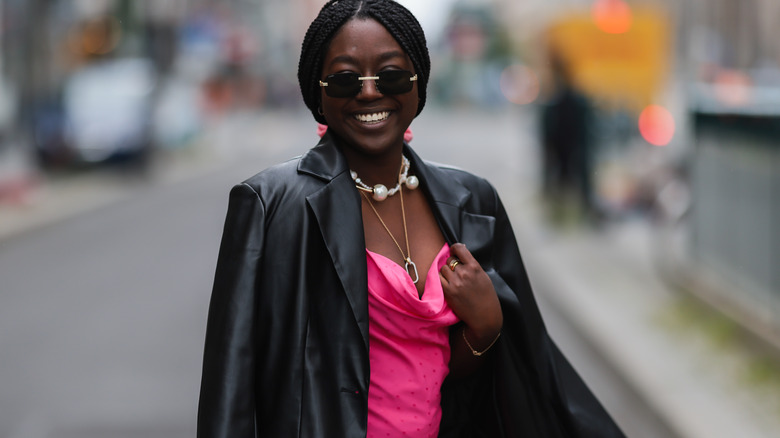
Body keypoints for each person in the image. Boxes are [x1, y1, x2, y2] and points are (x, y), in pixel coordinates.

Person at [198, 1, 624, 437]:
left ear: (418, 85)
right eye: (346, 79)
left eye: (392, 76)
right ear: (317, 92)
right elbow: (228, 393)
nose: (369, 92)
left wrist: (486, 327)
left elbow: (454, 376)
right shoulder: (270, 206)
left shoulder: (473, 202)